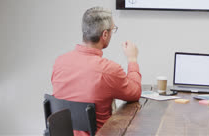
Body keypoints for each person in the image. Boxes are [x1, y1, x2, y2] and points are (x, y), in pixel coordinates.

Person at [51, 7, 141, 136]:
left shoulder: (59, 62)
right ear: (105, 34)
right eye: (112, 30)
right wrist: (132, 59)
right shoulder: (109, 70)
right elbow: (135, 93)